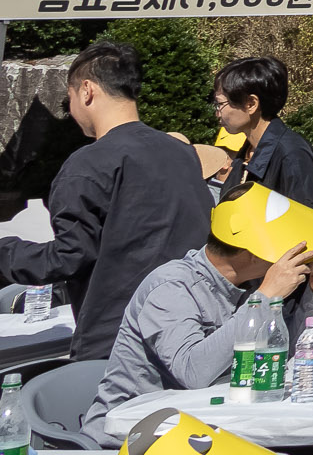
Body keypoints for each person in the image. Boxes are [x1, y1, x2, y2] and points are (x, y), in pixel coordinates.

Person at [87, 182, 313, 455]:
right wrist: (265, 296)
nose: (294, 260)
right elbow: (193, 372)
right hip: (140, 437)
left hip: (210, 429)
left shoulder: (245, 289)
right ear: (253, 253)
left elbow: (284, 354)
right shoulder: (173, 287)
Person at [0, 39, 209, 359]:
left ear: (86, 91)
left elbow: (68, 257)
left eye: (68, 99)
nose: (70, 111)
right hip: (191, 327)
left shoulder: (88, 164)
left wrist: (6, 251)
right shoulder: (182, 154)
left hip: (118, 338)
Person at [212, 54, 313, 214]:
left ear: (251, 104)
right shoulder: (247, 153)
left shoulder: (292, 155)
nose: (217, 113)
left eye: (220, 104)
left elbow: (312, 222)